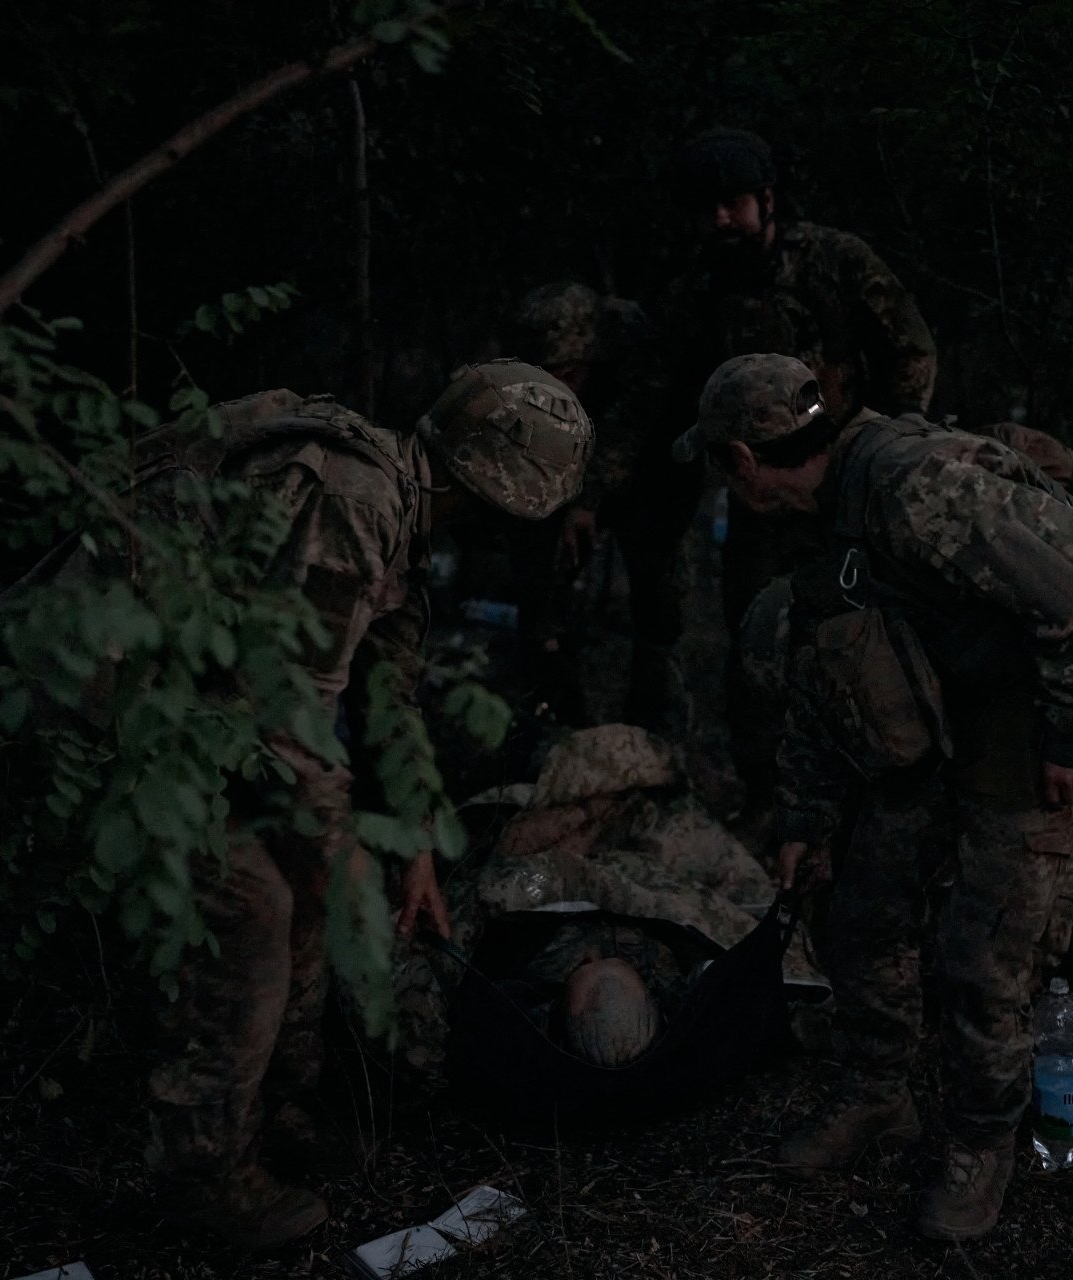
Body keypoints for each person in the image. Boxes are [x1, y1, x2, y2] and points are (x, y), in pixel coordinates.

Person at [123, 362, 592, 1248]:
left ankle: (280, 1110)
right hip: (125, 699)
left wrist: (412, 845)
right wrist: (339, 849)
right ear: (494, 486)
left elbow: (388, 702)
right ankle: (202, 1173)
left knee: (307, 876)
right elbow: (291, 720)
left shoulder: (402, 522)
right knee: (255, 900)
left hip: (205, 704)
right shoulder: (357, 501)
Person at [673, 353, 1073, 1242]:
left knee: (984, 963)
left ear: (743, 459)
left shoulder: (908, 488)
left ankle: (980, 1148)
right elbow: (831, 667)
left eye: (723, 469)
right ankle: (876, 1094)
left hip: (1029, 734)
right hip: (938, 724)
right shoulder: (828, 514)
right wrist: (807, 819)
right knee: (862, 913)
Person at [657, 127, 939, 810]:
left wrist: (889, 445)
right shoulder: (701, 284)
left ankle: (870, 790)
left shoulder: (832, 260)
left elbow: (910, 348)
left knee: (859, 631)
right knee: (758, 635)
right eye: (708, 208)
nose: (721, 220)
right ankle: (769, 796)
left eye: (733, 204)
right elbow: (668, 384)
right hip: (758, 493)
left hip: (844, 481)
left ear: (766, 200)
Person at [502, 283, 693, 730]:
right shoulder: (527, 360)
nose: (560, 387)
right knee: (541, 569)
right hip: (569, 463)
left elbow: (629, 430)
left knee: (658, 595)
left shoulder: (638, 352)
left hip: (653, 474)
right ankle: (553, 703)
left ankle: (653, 720)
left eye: (569, 374)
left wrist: (587, 502)